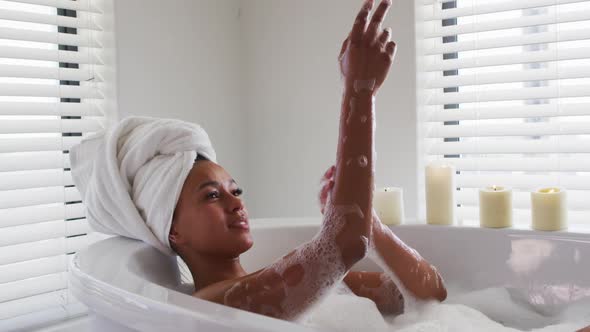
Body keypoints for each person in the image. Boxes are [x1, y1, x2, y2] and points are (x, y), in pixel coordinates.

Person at [167, 0, 447, 320]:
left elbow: (428, 295)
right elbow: (342, 244)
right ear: (174, 230)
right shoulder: (210, 306)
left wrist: (373, 228)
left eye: (236, 191)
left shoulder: (296, 285)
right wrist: (359, 89)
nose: (235, 203)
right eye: (212, 195)